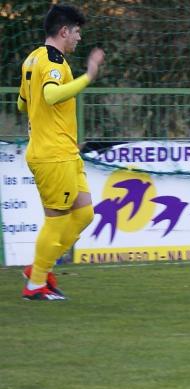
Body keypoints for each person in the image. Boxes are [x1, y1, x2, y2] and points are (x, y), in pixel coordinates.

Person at [17, 4, 105, 300]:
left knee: (84, 214)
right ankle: (35, 286)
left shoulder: (32, 59)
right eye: (77, 32)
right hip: (53, 154)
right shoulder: (54, 60)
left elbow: (21, 104)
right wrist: (88, 77)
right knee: (56, 220)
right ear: (64, 31)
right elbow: (50, 95)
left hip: (63, 151)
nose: (79, 38)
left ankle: (39, 269)